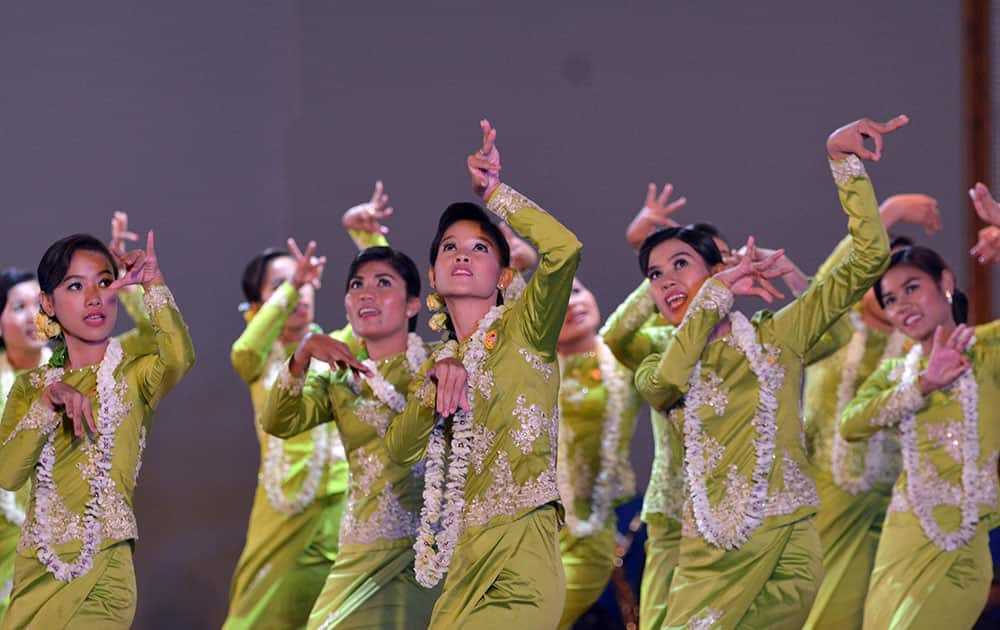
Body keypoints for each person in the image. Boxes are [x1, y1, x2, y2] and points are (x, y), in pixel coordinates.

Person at [634, 115, 903, 628]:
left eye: (681, 264)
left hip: (793, 542)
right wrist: (711, 299)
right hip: (715, 550)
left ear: (719, 269)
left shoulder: (774, 336)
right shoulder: (657, 361)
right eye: (654, 273)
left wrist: (841, 161)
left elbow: (870, 258)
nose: (666, 280)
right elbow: (665, 385)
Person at [385, 119, 581, 628]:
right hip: (464, 564)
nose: (463, 255)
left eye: (480, 248)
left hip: (522, 557)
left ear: (505, 274)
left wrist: (495, 193)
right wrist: (432, 388)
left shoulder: (527, 329)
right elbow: (399, 450)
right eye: (450, 247)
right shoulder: (438, 364)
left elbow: (564, 251)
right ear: (432, 275)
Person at [0, 231, 194, 628]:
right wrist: (46, 403)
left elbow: (178, 357)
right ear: (48, 303)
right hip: (36, 571)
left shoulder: (134, 375)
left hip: (103, 570)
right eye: (75, 285)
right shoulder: (30, 388)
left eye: (104, 282)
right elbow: (7, 473)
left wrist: (152, 284)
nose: (94, 296)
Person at [224, 183, 393, 629]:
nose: (298, 292)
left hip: (342, 515)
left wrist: (368, 238)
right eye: (279, 285)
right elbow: (243, 351)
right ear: (260, 304)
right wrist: (291, 285)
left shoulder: (339, 345)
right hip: (280, 520)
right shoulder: (259, 359)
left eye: (302, 281)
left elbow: (387, 308)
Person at [839, 183, 1000, 628]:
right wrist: (924, 385)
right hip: (902, 545)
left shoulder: (985, 350)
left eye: (912, 287)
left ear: (945, 283)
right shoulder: (897, 373)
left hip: (964, 551)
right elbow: (851, 424)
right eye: (890, 300)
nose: (902, 305)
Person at [260, 243, 442, 630]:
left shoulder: (440, 363)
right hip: (363, 553)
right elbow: (278, 421)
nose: (366, 294)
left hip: (430, 553)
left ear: (413, 305)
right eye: (356, 285)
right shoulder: (338, 380)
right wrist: (303, 355)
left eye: (383, 283)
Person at [802, 194, 942, 630]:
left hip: (900, 505)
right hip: (829, 499)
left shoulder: (924, 343)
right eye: (881, 282)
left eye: (908, 287)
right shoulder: (835, 325)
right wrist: (890, 212)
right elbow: (831, 281)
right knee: (829, 614)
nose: (892, 296)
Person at [554, 277, 642, 629]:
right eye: (557, 302)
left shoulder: (623, 359)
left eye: (575, 291)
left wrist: (643, 241)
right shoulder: (535, 372)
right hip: (538, 531)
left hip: (595, 532)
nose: (572, 304)